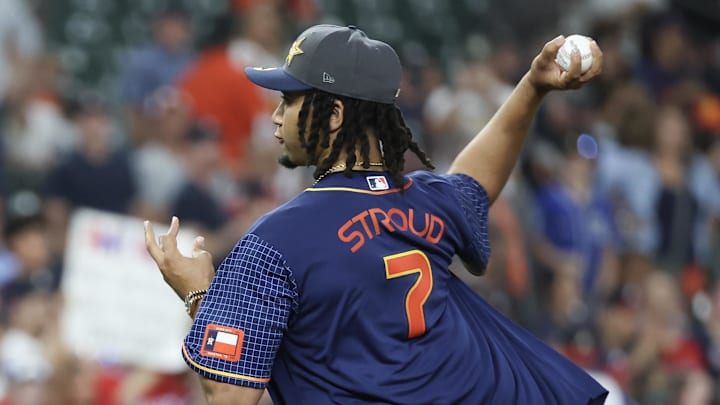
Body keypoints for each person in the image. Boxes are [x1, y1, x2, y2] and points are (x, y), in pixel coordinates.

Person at [145, 24, 608, 404]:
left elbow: (229, 394)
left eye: (290, 100)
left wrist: (198, 294)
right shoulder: (428, 203)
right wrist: (532, 88)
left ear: (334, 114)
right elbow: (474, 183)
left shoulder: (274, 243)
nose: (275, 116)